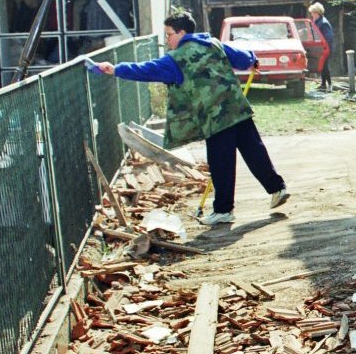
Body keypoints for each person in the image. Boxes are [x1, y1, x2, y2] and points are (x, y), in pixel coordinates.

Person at [90, 12, 290, 225]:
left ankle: (223, 210)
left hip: (214, 117)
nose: (167, 40)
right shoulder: (213, 44)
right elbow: (243, 58)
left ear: (182, 33)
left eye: (169, 34)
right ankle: (277, 188)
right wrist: (252, 59)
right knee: (254, 151)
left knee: (221, 162)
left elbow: (147, 70)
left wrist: (115, 69)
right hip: (237, 108)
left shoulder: (176, 59)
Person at [309, 2, 335, 91]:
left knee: (324, 66)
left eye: (312, 12)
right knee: (323, 66)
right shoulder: (317, 21)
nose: (311, 14)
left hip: (325, 48)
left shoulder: (324, 23)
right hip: (320, 48)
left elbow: (329, 37)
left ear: (317, 12)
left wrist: (323, 47)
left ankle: (330, 85)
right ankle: (323, 84)